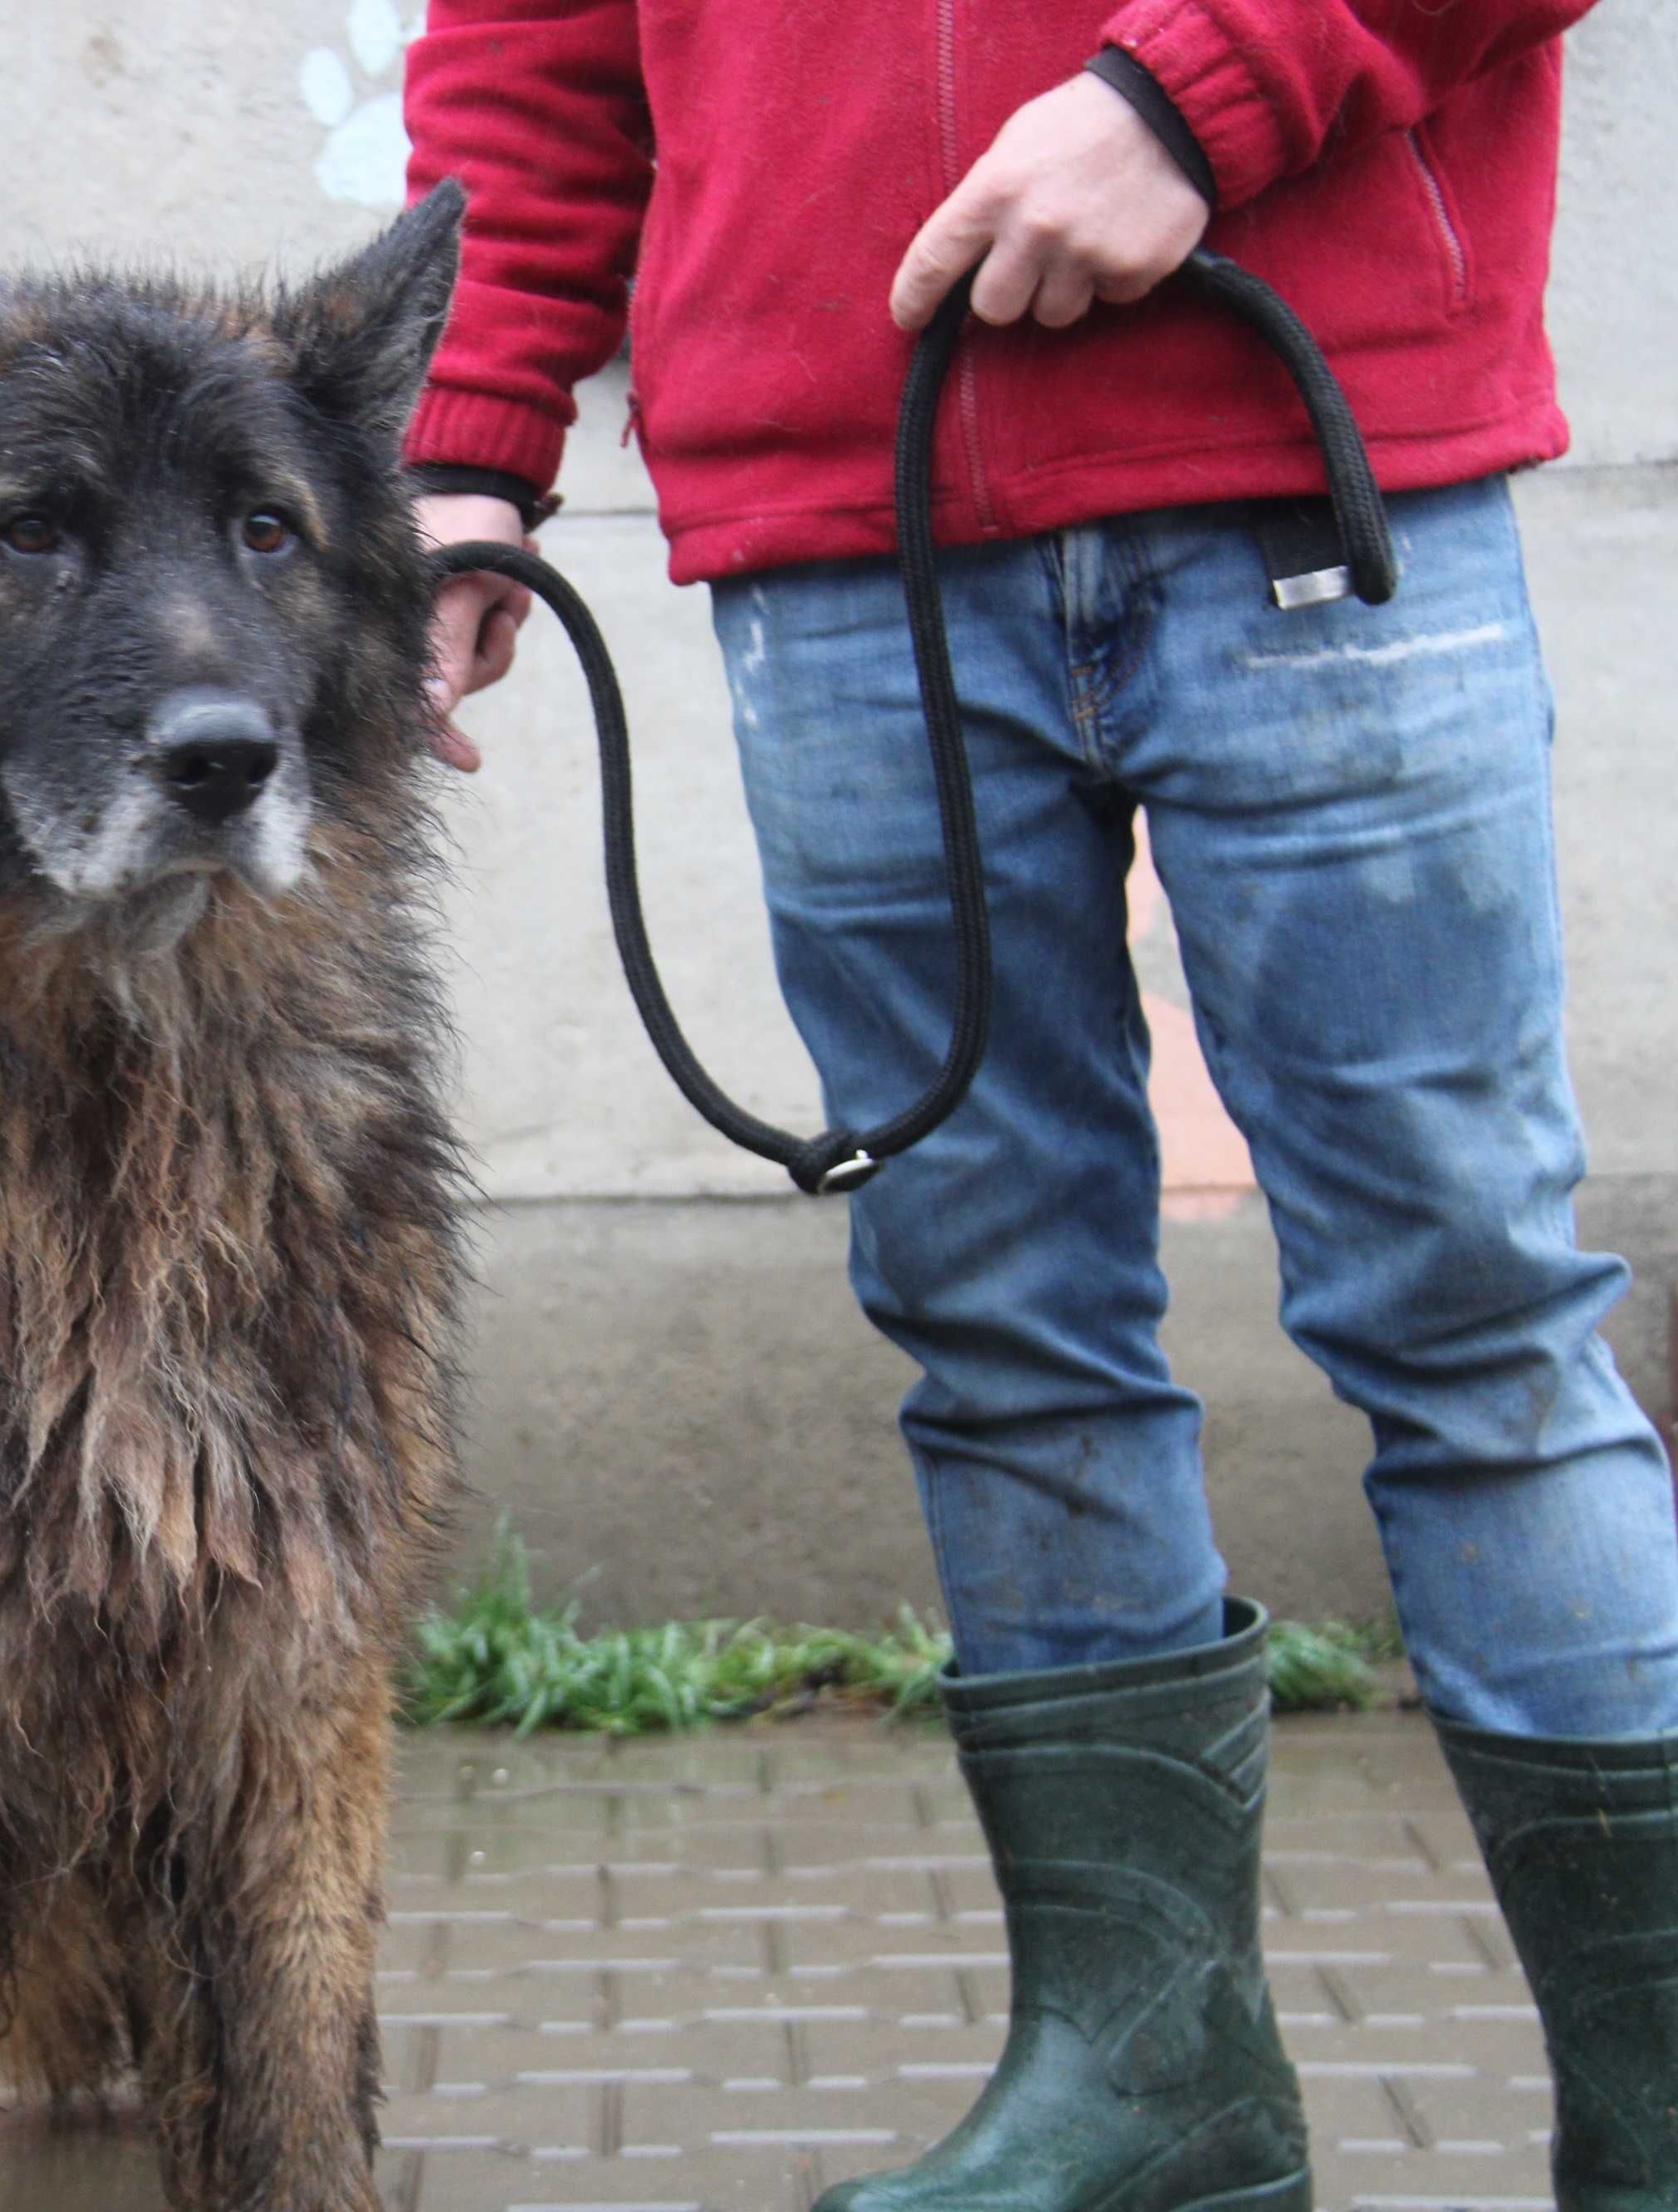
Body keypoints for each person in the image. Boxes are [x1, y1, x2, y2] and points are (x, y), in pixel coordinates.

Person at [401, 6, 1678, 2207]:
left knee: (1472, 1314)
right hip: (842, 526)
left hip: (1303, 441)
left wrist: (1202, 94)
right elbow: (528, 41)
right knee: (1000, 1325)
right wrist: (467, 434)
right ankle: (1151, 2090)